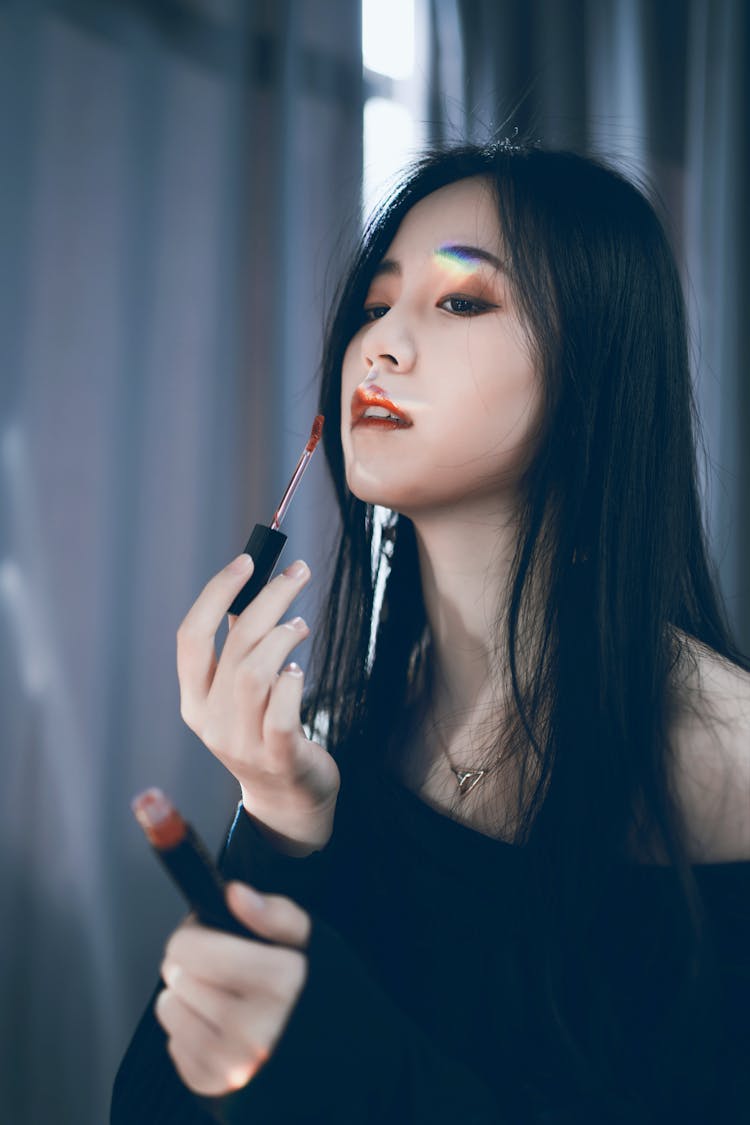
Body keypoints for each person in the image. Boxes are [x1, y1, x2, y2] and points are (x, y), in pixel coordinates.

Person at [111, 141, 750, 1124]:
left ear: (599, 362)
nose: (378, 345)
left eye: (461, 303)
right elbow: (153, 1107)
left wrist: (332, 1059)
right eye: (375, 304)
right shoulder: (343, 737)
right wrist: (277, 820)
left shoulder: (727, 768)